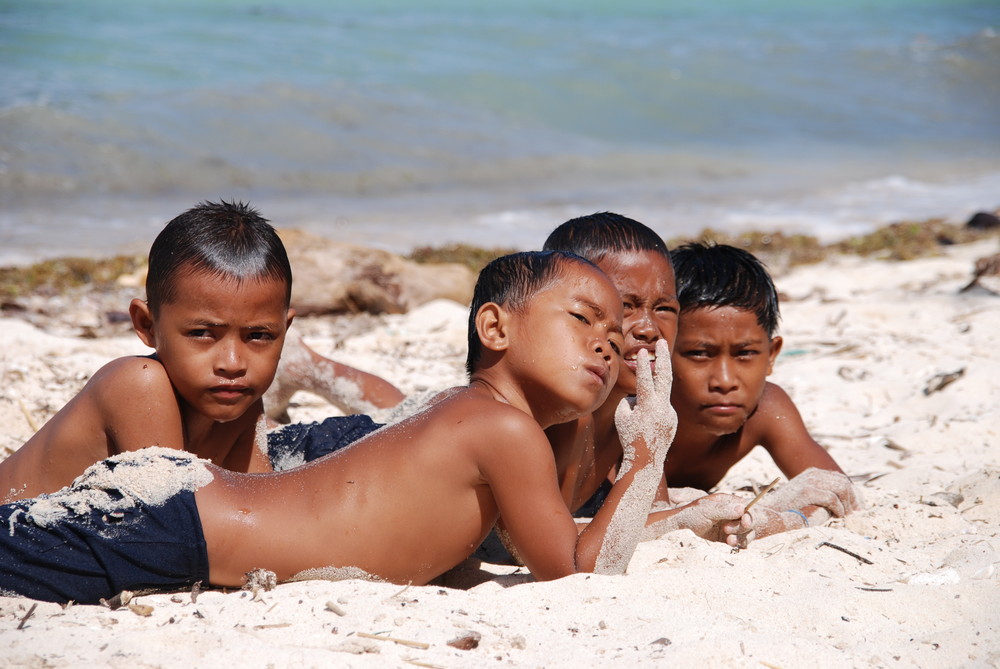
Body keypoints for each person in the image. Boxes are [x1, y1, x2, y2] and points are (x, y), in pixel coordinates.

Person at [0, 251, 675, 604]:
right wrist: (649, 446)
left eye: (616, 337)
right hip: (178, 525)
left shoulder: (474, 420)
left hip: (192, 511)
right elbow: (579, 575)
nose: (607, 345)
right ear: (494, 327)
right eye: (583, 320)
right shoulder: (503, 430)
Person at [0, 200, 294, 503]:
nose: (232, 363)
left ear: (285, 330)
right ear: (147, 324)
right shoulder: (140, 384)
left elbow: (259, 503)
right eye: (202, 333)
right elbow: (178, 520)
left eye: (258, 335)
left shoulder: (240, 403)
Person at [648, 242, 859, 539]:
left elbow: (835, 490)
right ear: (661, 351)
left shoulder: (765, 409)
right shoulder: (632, 414)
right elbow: (644, 513)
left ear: (771, 355)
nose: (724, 380)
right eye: (699, 353)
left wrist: (780, 518)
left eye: (745, 353)